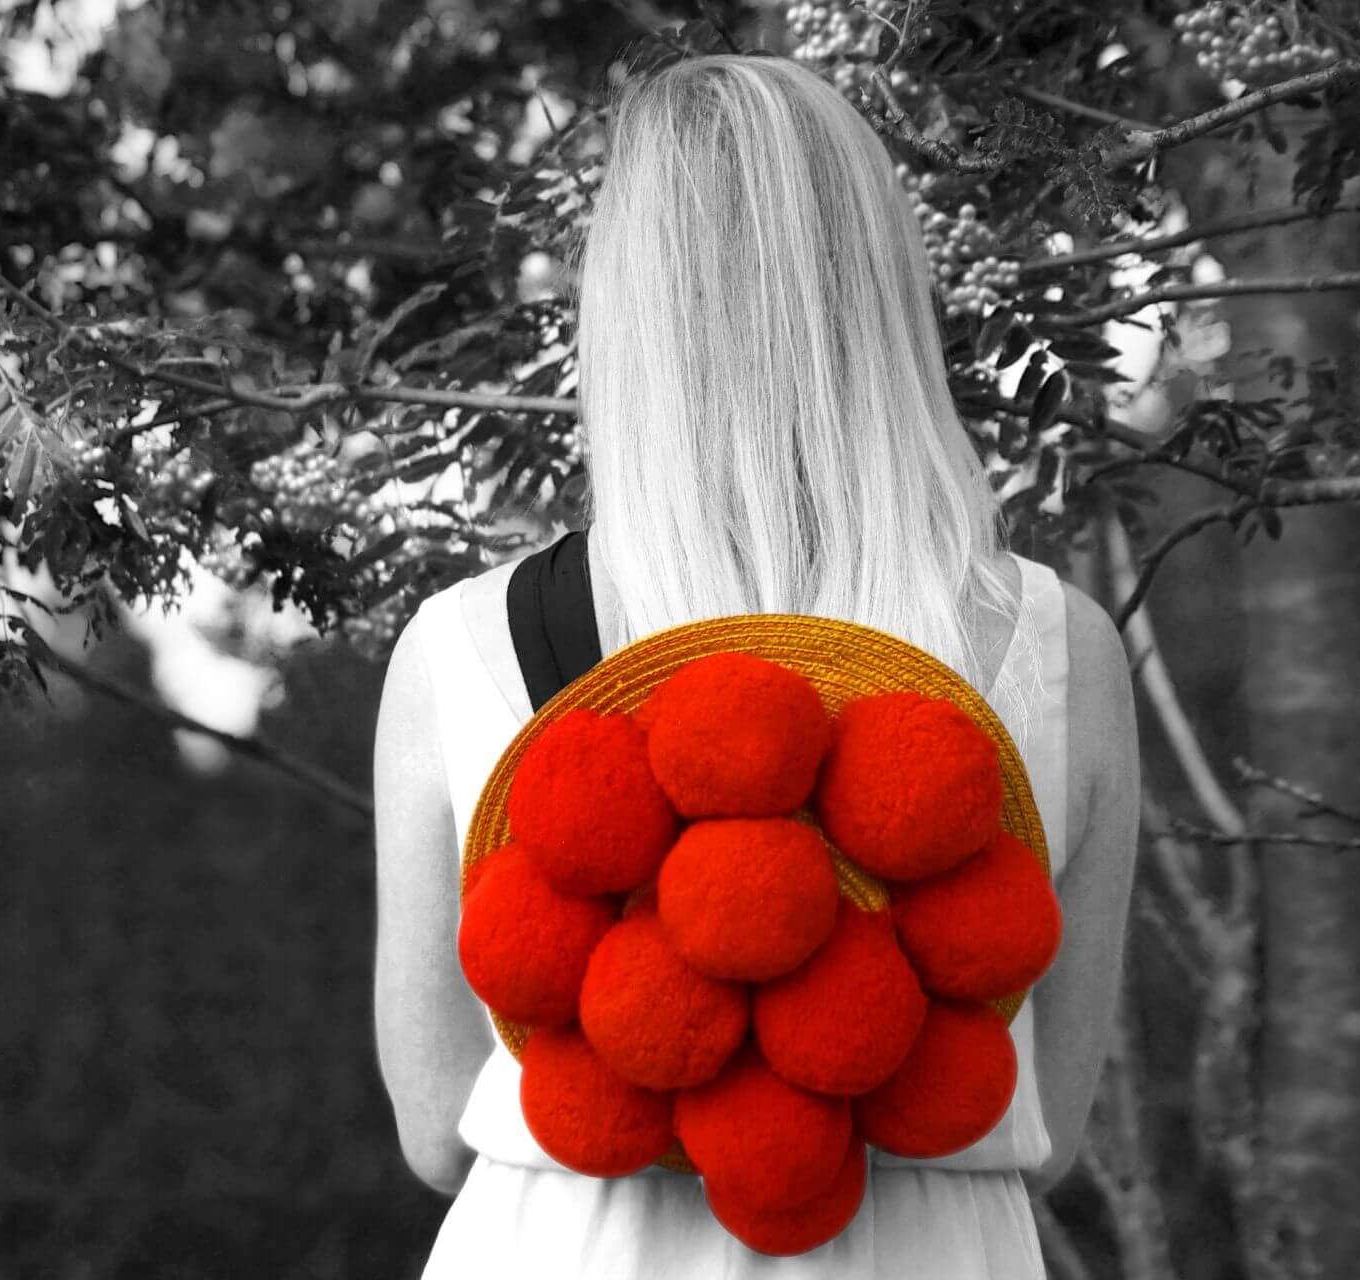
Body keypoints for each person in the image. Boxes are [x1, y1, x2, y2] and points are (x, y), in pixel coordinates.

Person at [371, 52, 1140, 1278]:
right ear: (882, 288)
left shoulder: (461, 651)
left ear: (621, 305)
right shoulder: (1056, 652)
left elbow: (435, 1128)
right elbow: (1040, 1129)